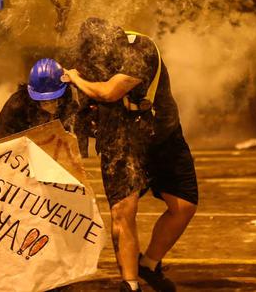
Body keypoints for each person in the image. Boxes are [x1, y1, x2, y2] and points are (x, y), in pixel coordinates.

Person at [62, 17, 198, 292]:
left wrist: (76, 78)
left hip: (161, 134)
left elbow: (110, 92)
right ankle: (130, 283)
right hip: (120, 138)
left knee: (184, 205)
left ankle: (149, 265)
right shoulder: (88, 56)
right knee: (124, 211)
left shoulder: (139, 51)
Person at [0, 58, 80, 142]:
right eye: (46, 102)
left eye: (56, 99)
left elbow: (68, 135)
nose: (54, 106)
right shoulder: (16, 106)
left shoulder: (68, 96)